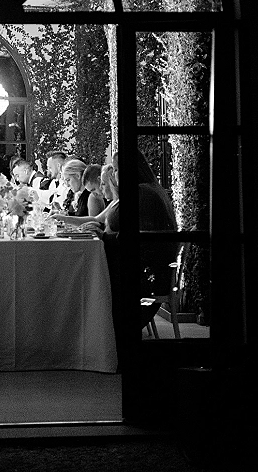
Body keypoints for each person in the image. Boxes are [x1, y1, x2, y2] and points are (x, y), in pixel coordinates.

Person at [83, 150, 178, 363]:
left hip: (142, 278)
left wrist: (103, 237)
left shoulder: (142, 195)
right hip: (145, 269)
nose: (114, 175)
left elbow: (138, 241)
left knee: (86, 279)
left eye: (116, 170)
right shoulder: (146, 191)